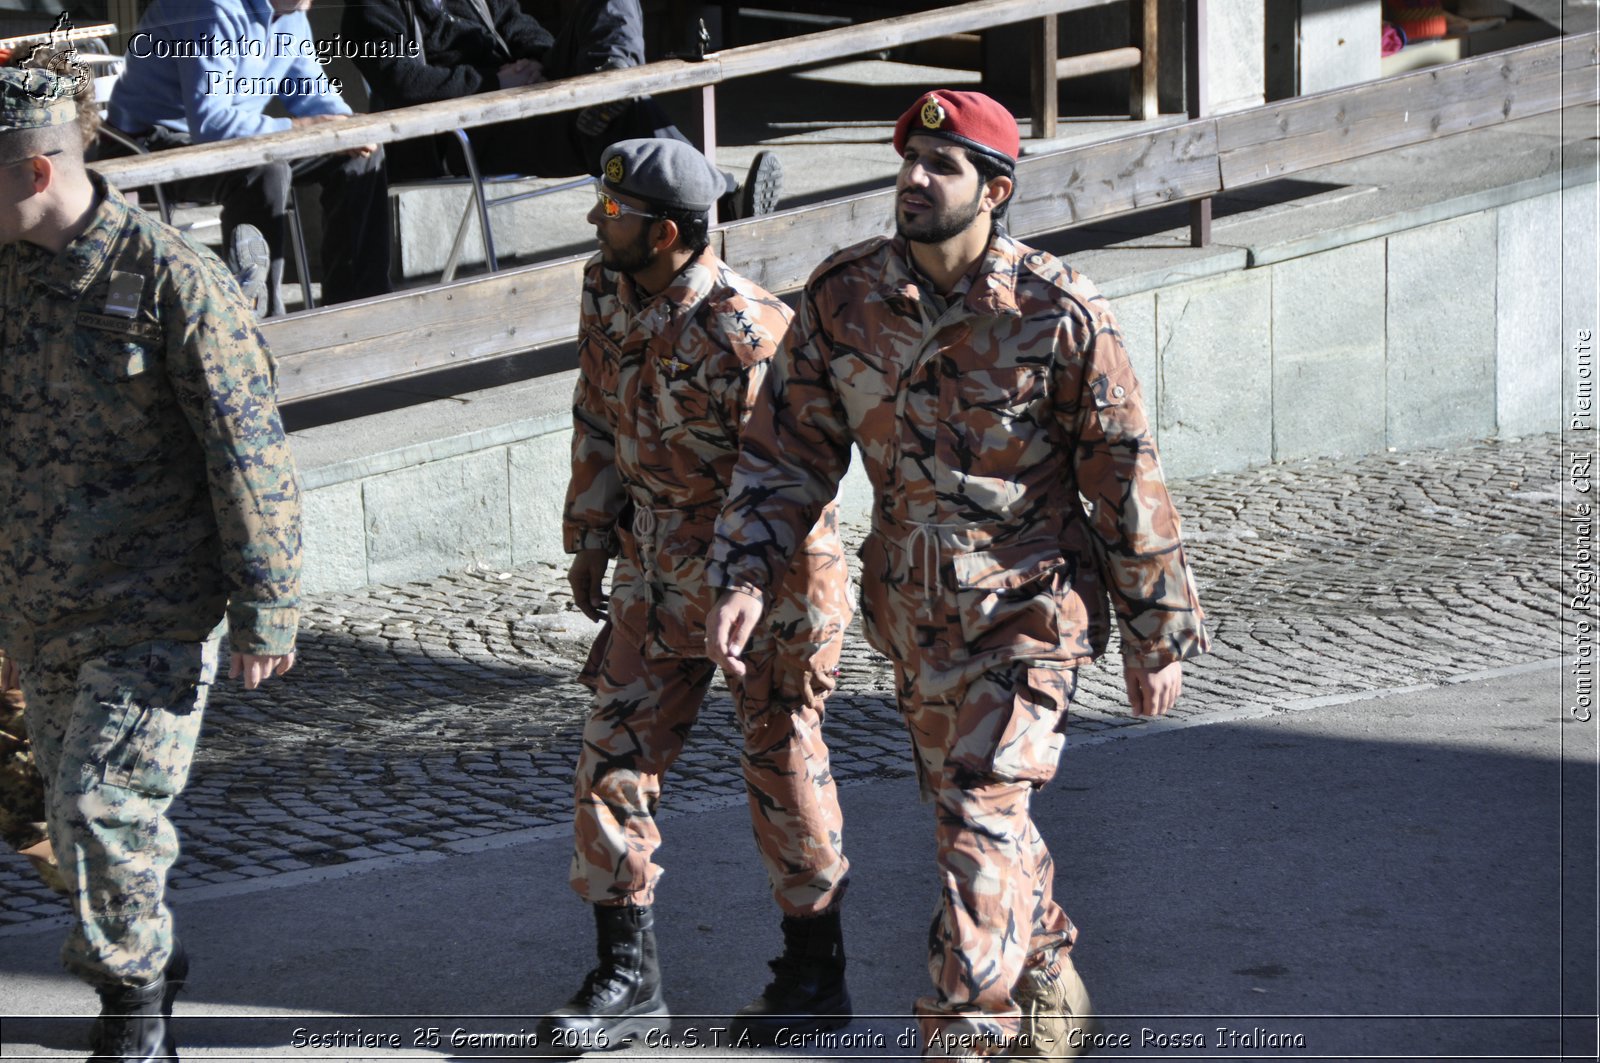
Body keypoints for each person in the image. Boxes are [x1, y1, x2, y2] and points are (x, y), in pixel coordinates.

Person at [705, 90, 1210, 1061]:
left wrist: (1156, 631)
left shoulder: (1058, 316)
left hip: (1029, 620)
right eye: (908, 161)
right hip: (917, 621)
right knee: (970, 820)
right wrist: (744, 572)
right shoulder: (842, 300)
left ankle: (965, 1036)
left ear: (995, 189)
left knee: (978, 821)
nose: (914, 179)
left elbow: (1123, 475)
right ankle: (1049, 953)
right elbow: (785, 454)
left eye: (942, 167)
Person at [0, 65, 302, 1061]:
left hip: (153, 609)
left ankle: (134, 1020)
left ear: (34, 169)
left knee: (101, 806)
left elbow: (247, 451)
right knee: (61, 809)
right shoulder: (11, 275)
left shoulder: (174, 281)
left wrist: (267, 607)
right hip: (41, 605)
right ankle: (143, 962)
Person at [539, 137, 851, 1048]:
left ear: (668, 232)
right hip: (655, 564)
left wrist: (745, 581)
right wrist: (592, 534)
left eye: (614, 213)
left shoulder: (747, 333)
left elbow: (791, 475)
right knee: (612, 753)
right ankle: (628, 978)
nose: (598, 225)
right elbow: (596, 408)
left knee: (782, 766)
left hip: (773, 577)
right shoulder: (607, 285)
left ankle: (812, 974)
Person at [339, 0, 782, 219]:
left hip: (533, 101)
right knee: (629, 115)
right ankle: (719, 199)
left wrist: (537, 65)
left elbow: (516, 24)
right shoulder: (369, 9)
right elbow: (400, 82)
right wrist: (497, 82)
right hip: (474, 129)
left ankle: (609, 82)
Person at [103, 0, 392, 317]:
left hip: (227, 142)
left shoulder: (289, 13)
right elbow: (210, 124)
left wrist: (348, 129)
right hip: (149, 146)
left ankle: (360, 308)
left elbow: (313, 97)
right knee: (265, 167)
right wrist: (302, 127)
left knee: (360, 156)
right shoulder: (213, 8)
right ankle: (257, 318)